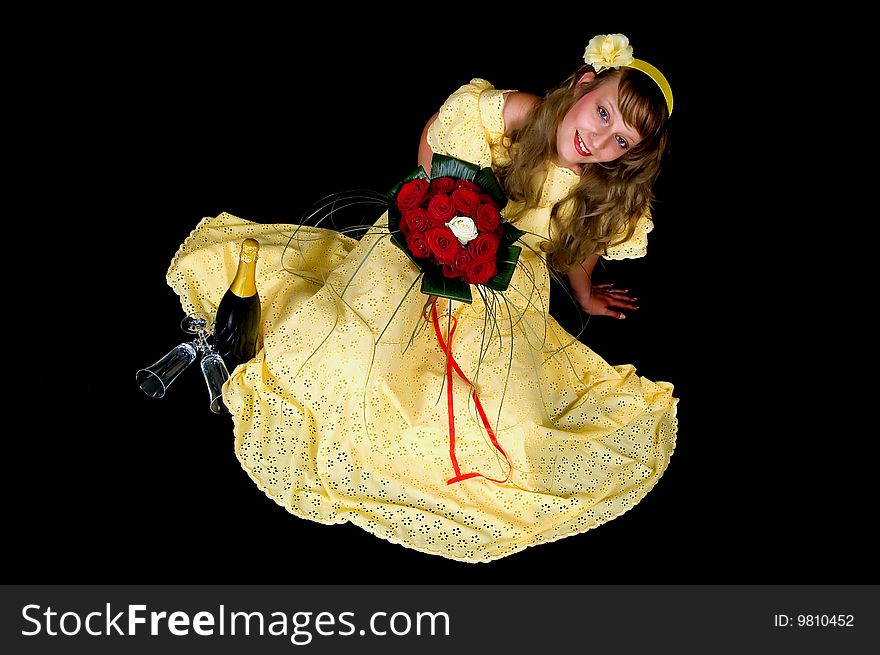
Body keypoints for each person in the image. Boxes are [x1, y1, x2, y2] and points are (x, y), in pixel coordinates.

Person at [165, 33, 677, 562]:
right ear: (584, 84)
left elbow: (579, 246)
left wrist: (585, 293)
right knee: (356, 353)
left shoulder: (597, 186)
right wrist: (431, 203)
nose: (600, 139)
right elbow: (437, 136)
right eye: (602, 114)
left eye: (621, 141)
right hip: (429, 243)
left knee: (499, 418)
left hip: (502, 284)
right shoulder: (519, 114)